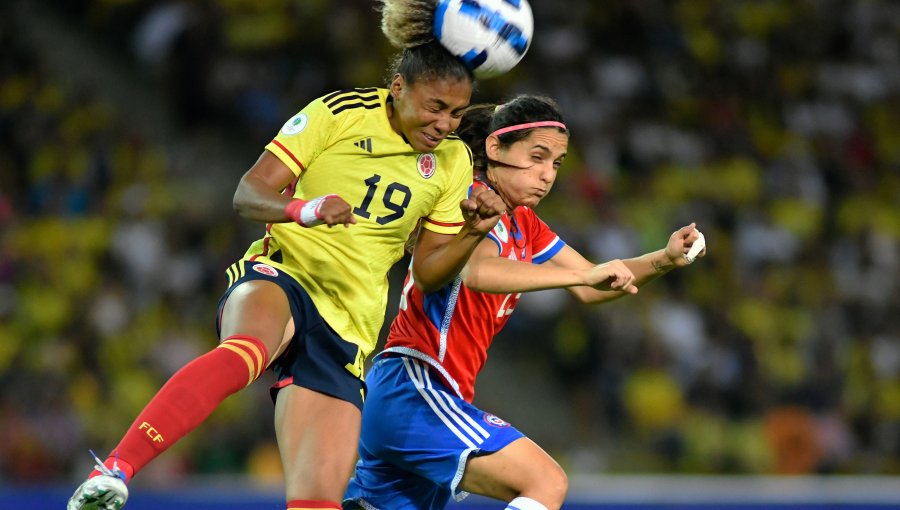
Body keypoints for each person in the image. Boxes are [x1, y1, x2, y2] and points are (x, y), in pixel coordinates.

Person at [66, 1, 507, 509]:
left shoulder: (453, 162)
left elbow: (428, 275)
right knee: (248, 350)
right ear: (398, 88)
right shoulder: (337, 114)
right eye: (434, 107)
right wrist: (307, 209)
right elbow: (249, 194)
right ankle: (116, 471)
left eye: (455, 113)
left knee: (318, 501)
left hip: (349, 325)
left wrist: (472, 233)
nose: (444, 124)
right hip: (285, 274)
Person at [343, 95, 707, 510]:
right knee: (545, 482)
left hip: (427, 395)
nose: (547, 174)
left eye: (556, 163)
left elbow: (592, 285)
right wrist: (580, 275)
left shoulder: (524, 222)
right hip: (415, 383)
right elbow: (479, 272)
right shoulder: (468, 198)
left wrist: (663, 258)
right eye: (537, 157)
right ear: (495, 149)